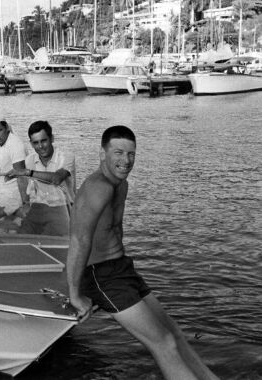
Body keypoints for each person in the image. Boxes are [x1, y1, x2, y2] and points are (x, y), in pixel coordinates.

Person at [66, 126, 219, 380]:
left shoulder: (120, 185)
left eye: (131, 154)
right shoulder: (98, 187)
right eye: (118, 152)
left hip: (121, 268)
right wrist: (74, 294)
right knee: (164, 343)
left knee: (175, 335)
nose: (125, 161)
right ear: (102, 153)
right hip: (101, 276)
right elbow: (78, 239)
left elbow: (114, 230)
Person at [5, 120, 75, 236]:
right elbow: (30, 188)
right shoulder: (30, 160)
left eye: (44, 141)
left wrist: (27, 172)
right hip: (39, 209)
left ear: (52, 138)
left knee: (45, 239)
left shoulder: (67, 157)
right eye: (36, 143)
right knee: (21, 239)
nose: (40, 146)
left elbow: (56, 179)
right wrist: (26, 203)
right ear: (31, 144)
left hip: (63, 209)